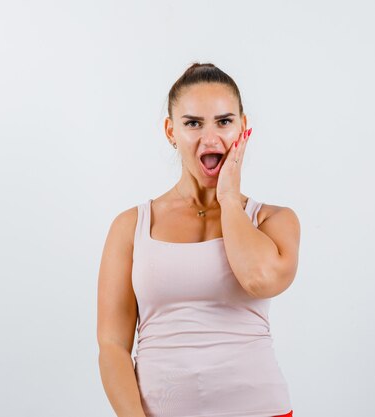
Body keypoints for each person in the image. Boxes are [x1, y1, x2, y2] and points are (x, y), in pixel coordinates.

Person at [97, 62, 300, 417]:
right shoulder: (131, 225)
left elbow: (259, 278)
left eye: (224, 121)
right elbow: (112, 345)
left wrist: (229, 200)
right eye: (193, 123)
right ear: (170, 131)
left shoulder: (272, 220)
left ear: (243, 127)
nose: (210, 138)